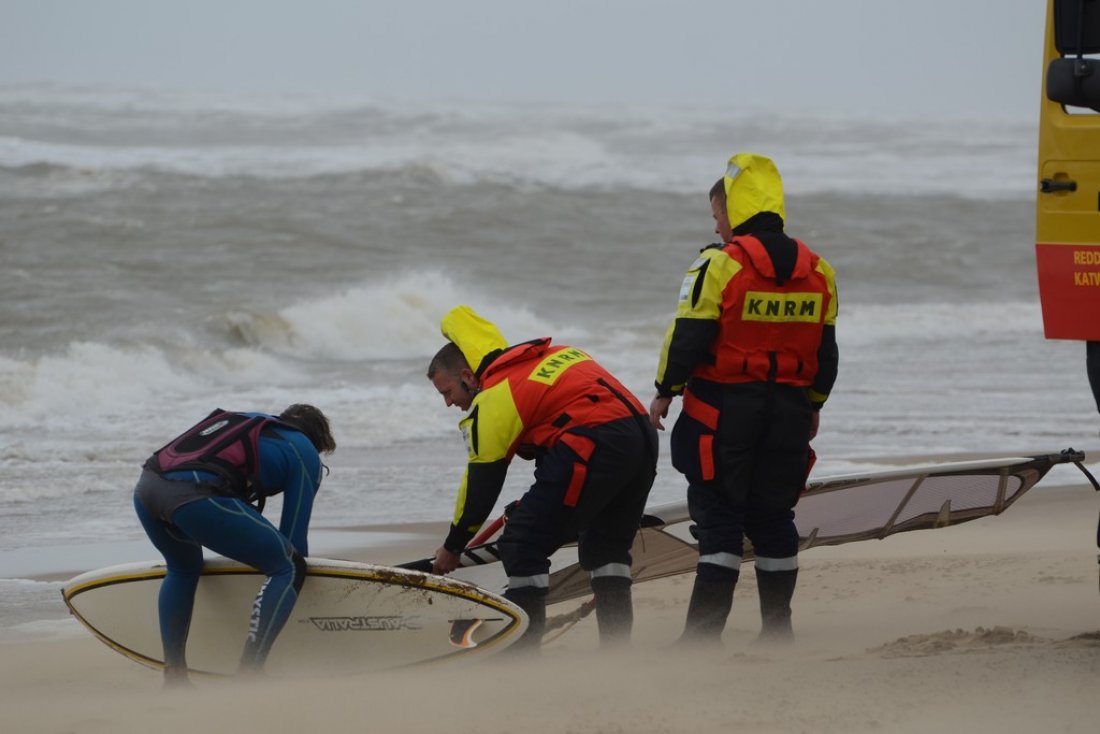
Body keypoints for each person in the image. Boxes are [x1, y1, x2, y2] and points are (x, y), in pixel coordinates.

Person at [649, 153, 839, 645]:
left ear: (734, 210)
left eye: (717, 215)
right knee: (775, 517)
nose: (716, 224)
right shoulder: (820, 269)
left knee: (719, 520)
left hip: (723, 415)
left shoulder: (717, 264)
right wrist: (814, 403)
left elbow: (687, 337)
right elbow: (826, 350)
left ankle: (702, 638)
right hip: (790, 415)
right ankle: (778, 630)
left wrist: (665, 391)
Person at [427, 305, 658, 652]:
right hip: (642, 438)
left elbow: (482, 484)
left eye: (448, 392)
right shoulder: (555, 355)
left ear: (468, 375)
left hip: (594, 441)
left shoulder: (494, 397)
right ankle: (616, 654)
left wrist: (454, 545)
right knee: (607, 548)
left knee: (523, 540)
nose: (449, 403)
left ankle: (523, 653)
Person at [133, 404, 336, 684]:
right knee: (288, 567)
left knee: (182, 568)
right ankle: (250, 672)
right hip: (195, 494)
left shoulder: (251, 422)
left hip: (147, 488)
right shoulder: (305, 451)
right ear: (319, 441)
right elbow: (294, 540)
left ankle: (175, 675)